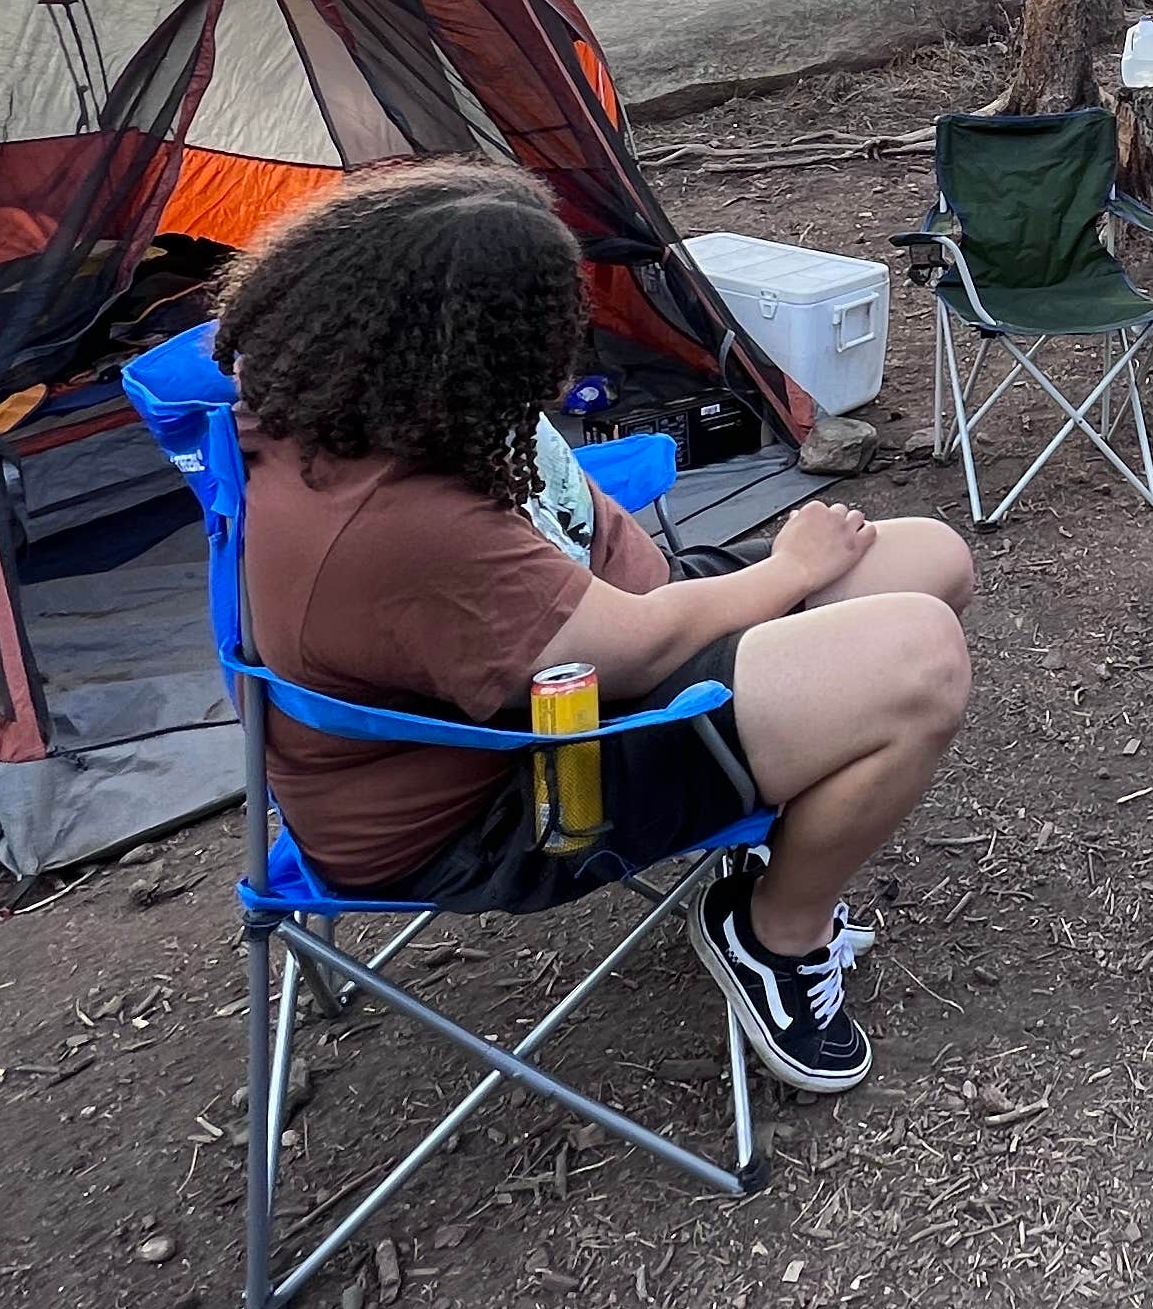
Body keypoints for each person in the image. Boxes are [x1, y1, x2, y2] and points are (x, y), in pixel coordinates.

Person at [218, 160, 973, 1097]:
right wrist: (788, 572)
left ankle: (786, 807)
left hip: (581, 648)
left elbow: (606, 613)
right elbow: (643, 646)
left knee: (931, 557)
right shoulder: (398, 526)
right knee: (919, 656)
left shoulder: (340, 399)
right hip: (516, 786)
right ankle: (772, 934)